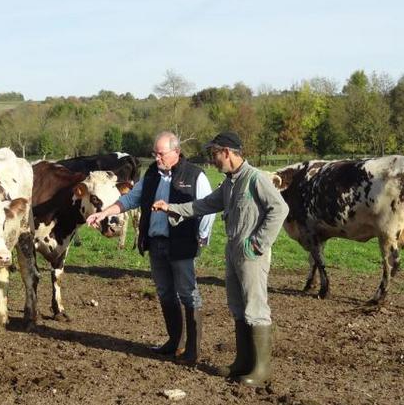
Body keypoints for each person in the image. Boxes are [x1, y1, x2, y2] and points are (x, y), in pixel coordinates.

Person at [151, 131, 288, 386]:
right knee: (238, 305)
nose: (213, 160)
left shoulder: (255, 179)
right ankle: (243, 362)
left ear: (227, 152)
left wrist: (258, 243)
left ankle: (261, 369)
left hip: (251, 254)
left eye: (215, 154)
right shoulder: (230, 183)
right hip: (234, 251)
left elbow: (280, 209)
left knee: (256, 307)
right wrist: (171, 207)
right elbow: (202, 205)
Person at [86, 131, 215, 364]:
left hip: (182, 244)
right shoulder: (152, 174)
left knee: (188, 293)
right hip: (156, 244)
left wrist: (202, 237)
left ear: (176, 152)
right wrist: (103, 213)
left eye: (161, 154)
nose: (156, 158)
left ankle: (193, 350)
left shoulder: (196, 176)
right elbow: (129, 200)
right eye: (154, 153)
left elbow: (207, 208)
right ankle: (174, 342)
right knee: (165, 293)